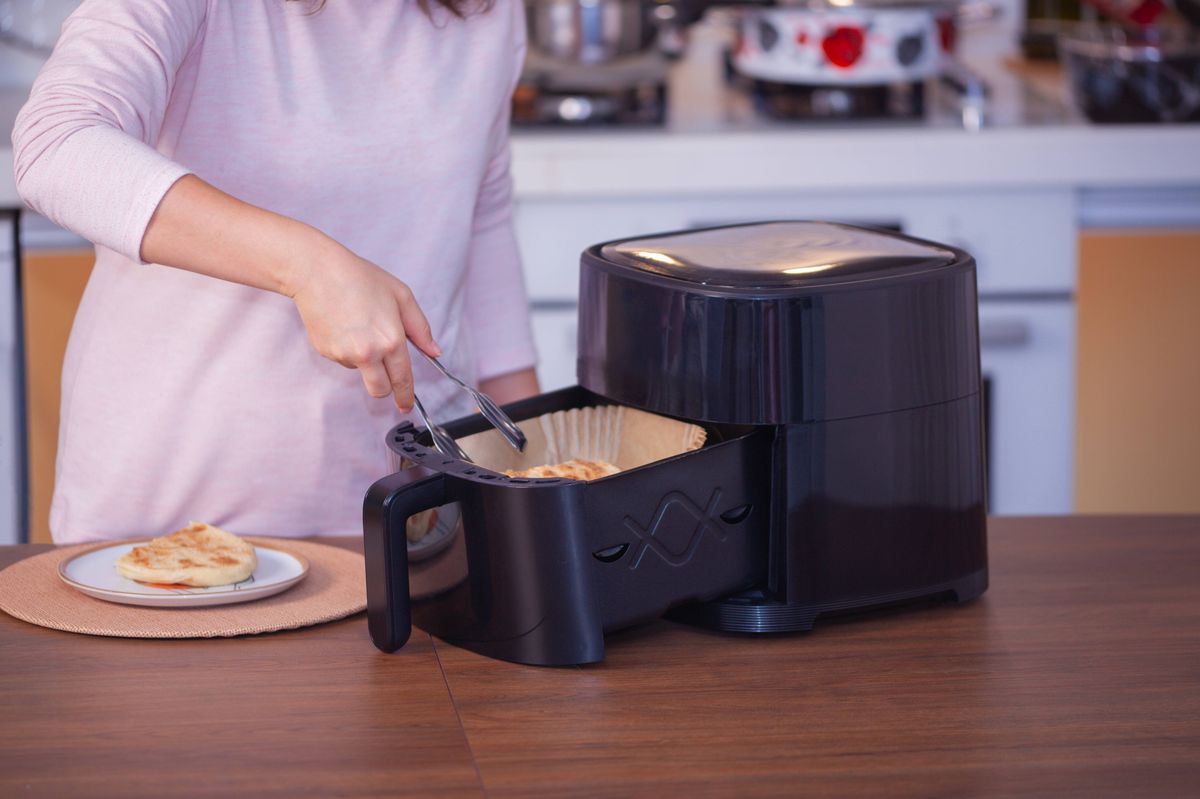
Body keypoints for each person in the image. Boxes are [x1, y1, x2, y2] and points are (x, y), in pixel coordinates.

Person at [11, 0, 539, 543]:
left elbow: (481, 219)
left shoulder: (485, 12)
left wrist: (529, 477)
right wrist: (307, 266)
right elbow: (59, 144)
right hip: (177, 519)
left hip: (413, 513)